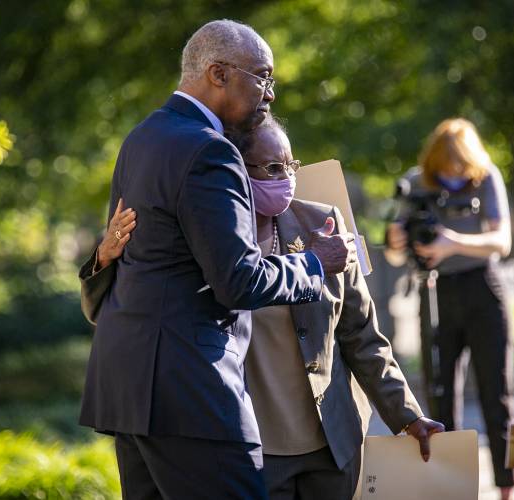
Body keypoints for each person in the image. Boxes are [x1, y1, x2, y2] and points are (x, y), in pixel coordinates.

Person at [81, 116, 445, 499]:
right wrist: (104, 260)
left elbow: (362, 334)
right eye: (272, 168)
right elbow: (116, 313)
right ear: (234, 172)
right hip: (251, 451)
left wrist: (407, 416)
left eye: (291, 166)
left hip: (332, 445)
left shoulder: (323, 225)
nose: (286, 177)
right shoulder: (199, 246)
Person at [78, 20, 357, 499]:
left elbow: (138, 262)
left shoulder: (142, 137)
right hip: (191, 393)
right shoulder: (211, 151)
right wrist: (315, 263)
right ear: (219, 73)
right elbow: (238, 281)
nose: (270, 94)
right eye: (263, 77)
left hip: (129, 390)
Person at [384, 118, 514, 499]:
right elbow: (397, 254)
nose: (451, 176)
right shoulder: (416, 181)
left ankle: (506, 487)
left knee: (498, 394)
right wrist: (396, 241)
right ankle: (453, 489)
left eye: (458, 169)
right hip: (434, 291)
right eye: (444, 170)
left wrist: (452, 242)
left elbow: (501, 241)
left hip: (483, 288)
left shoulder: (486, 176)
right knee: (440, 396)